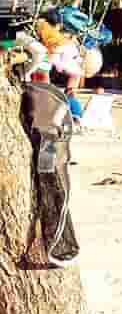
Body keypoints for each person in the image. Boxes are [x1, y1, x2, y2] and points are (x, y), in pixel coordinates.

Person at [18, 69, 80, 268]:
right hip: (48, 142)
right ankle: (53, 242)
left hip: (49, 144)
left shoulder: (44, 97)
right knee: (50, 183)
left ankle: (54, 242)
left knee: (50, 183)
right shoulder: (43, 96)